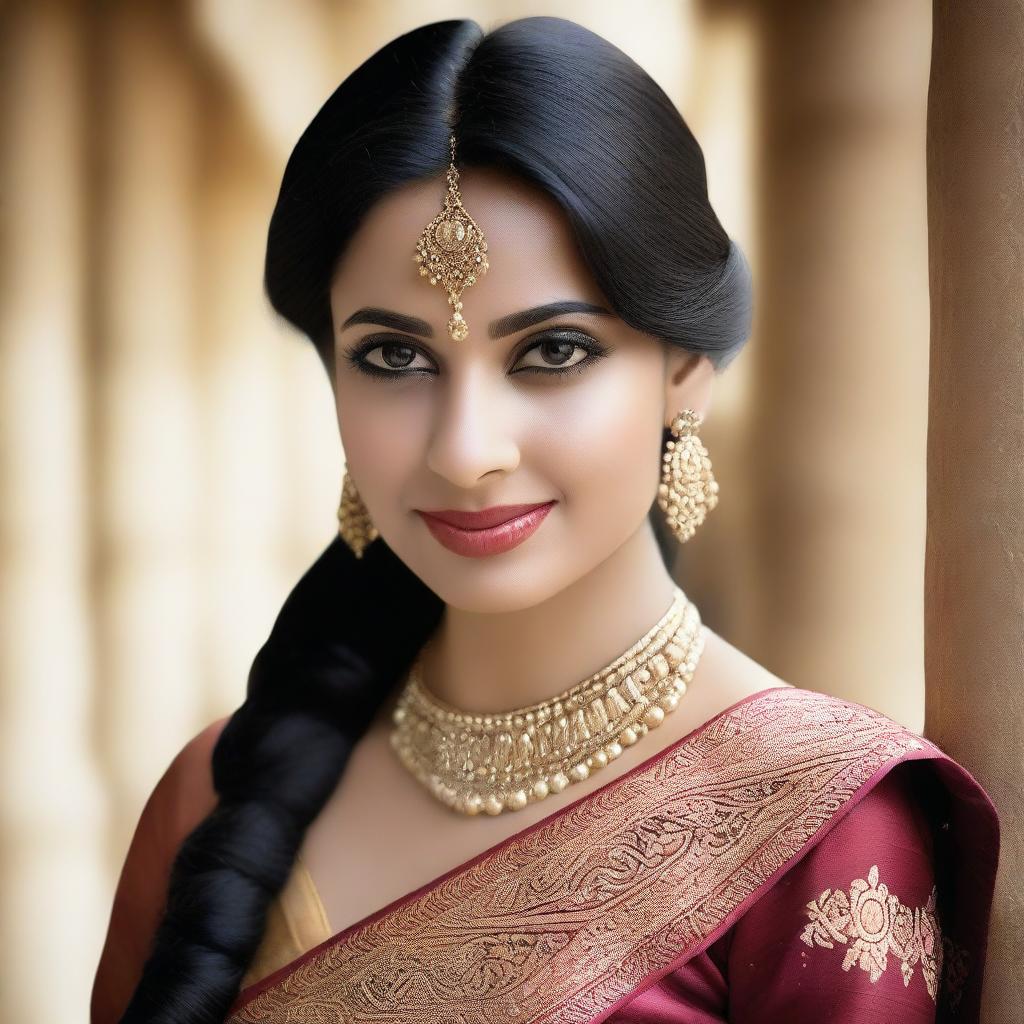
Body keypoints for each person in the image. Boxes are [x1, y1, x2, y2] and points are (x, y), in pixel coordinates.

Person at [90, 16, 1000, 1024]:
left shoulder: (822, 824)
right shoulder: (210, 801)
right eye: (393, 359)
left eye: (553, 352)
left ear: (683, 371)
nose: (465, 448)